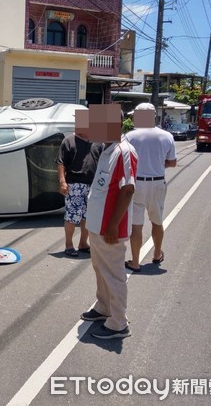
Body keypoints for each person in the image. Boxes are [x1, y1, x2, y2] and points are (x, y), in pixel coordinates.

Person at [80, 103, 137, 339]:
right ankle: (103, 306)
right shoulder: (106, 149)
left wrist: (113, 225)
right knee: (99, 269)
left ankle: (118, 322)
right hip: (97, 225)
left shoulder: (124, 151)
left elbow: (128, 190)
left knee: (113, 274)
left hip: (109, 227)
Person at [124, 103, 177, 272]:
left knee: (136, 224)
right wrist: (157, 164)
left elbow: (124, 161)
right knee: (157, 220)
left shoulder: (129, 136)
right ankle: (156, 253)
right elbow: (172, 162)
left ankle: (135, 262)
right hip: (157, 182)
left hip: (136, 183)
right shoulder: (166, 136)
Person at [56, 109, 103, 257]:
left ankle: (83, 243)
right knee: (72, 216)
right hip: (74, 184)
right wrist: (62, 182)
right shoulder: (68, 141)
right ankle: (69, 245)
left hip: (93, 185)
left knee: (88, 217)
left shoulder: (98, 142)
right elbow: (60, 163)